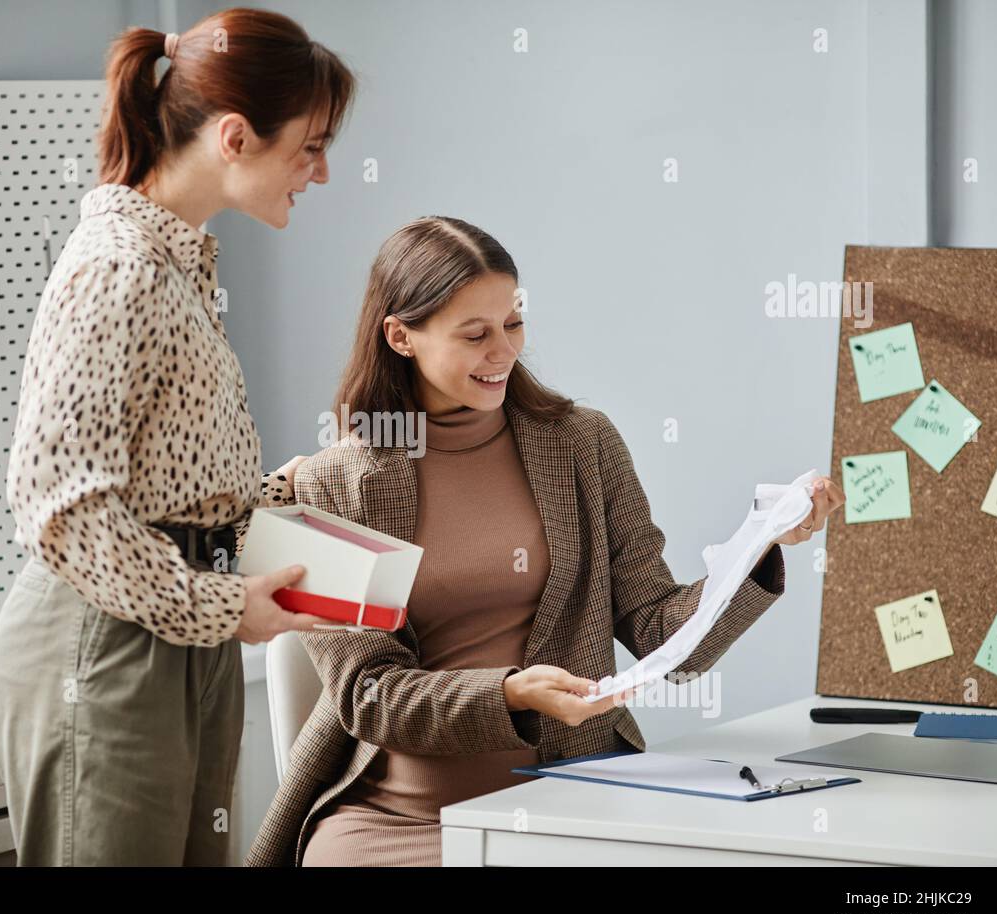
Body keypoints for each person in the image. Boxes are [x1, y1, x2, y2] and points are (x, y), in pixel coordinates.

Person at [246, 216, 844, 866]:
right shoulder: (331, 484)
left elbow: (659, 633)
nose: (503, 350)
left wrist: (757, 550)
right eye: (475, 334)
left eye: (514, 323)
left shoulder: (583, 443)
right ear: (401, 337)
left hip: (573, 796)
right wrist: (507, 695)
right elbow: (368, 695)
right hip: (401, 819)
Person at [0, 10, 355, 866]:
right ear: (235, 136)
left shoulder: (178, 263)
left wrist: (271, 500)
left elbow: (167, 480)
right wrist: (227, 606)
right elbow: (63, 508)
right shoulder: (121, 268)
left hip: (183, 638)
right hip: (105, 647)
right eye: (309, 146)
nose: (323, 171)